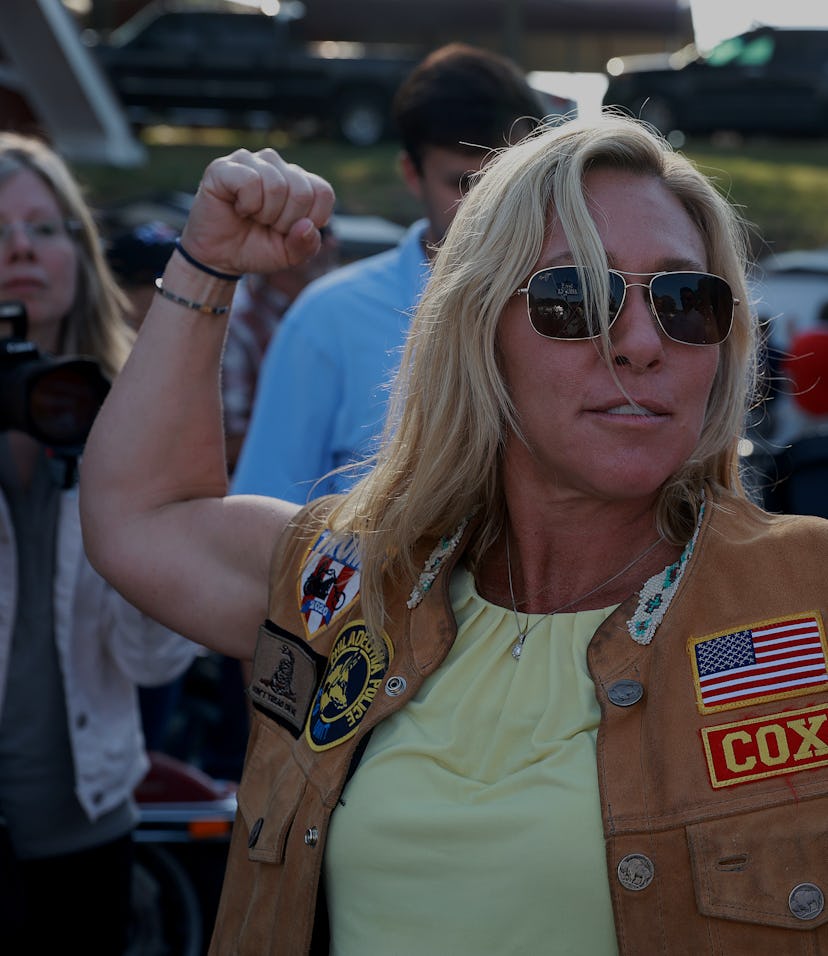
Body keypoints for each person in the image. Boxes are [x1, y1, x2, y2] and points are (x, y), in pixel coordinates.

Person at [78, 114, 828, 955]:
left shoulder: (808, 596)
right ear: (478, 332)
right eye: (574, 297)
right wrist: (206, 265)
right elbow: (141, 517)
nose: (644, 343)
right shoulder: (353, 581)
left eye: (687, 300)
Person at [0, 131, 201, 954]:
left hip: (85, 818)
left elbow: (156, 661)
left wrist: (126, 487)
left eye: (46, 228)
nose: (21, 249)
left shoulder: (129, 414)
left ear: (80, 252)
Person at [230, 42, 547, 502]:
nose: (489, 207)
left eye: (510, 182)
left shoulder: (584, 313)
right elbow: (264, 522)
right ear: (411, 174)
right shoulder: (326, 321)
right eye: (464, 183)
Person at [222, 224, 339, 473]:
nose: (331, 244)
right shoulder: (238, 322)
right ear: (276, 241)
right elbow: (228, 442)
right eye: (319, 233)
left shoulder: (337, 312)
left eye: (330, 234)